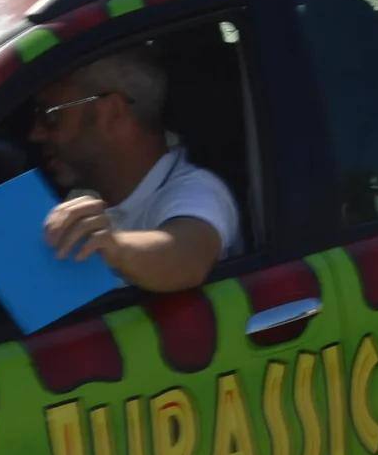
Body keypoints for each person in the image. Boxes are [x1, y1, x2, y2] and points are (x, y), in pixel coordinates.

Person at [31, 46, 240, 292]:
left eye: (50, 116)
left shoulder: (198, 191)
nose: (35, 133)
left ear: (112, 114)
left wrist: (115, 246)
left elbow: (187, 257)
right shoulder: (83, 199)